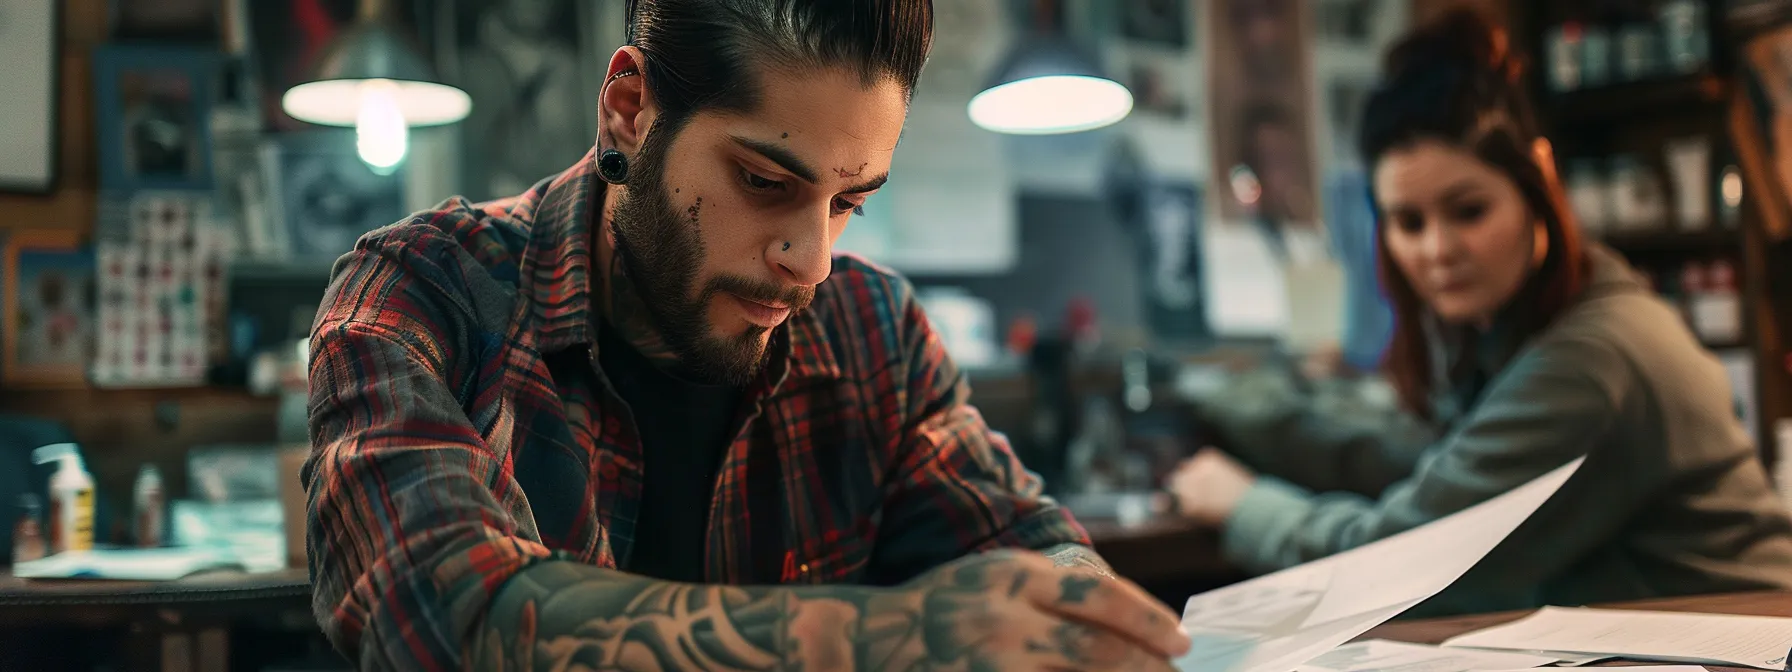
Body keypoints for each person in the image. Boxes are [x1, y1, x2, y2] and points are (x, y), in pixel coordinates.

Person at [303, 1, 1191, 669]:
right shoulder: (422, 294)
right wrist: (889, 637)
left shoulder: (871, 329)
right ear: (629, 109)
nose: (811, 262)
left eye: (848, 203)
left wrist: (1075, 609)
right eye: (765, 182)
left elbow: (1026, 542)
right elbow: (435, 609)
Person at [1168, 8, 1792, 617]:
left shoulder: (1593, 355)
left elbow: (1401, 568)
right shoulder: (1526, 327)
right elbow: (1424, 460)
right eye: (1408, 222)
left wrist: (1244, 504)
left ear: (1537, 183)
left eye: (1468, 210)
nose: (1438, 251)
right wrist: (1234, 405)